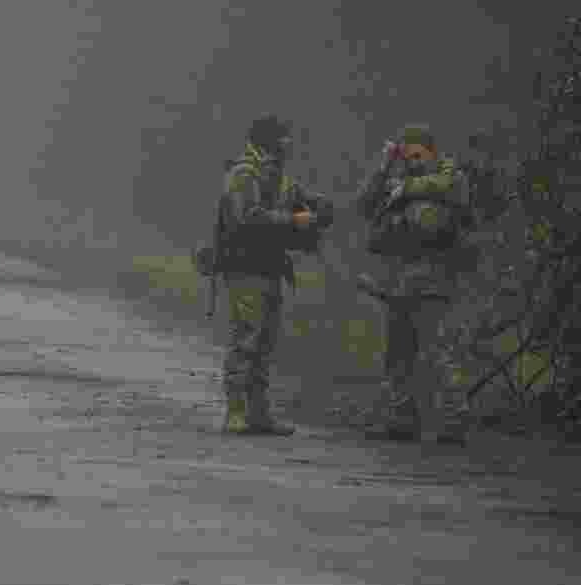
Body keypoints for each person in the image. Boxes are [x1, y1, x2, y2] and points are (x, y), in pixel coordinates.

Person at [202, 114, 334, 435]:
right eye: (284, 137)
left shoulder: (280, 177)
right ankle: (235, 412)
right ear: (269, 140)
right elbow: (246, 217)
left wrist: (321, 209)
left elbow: (309, 202)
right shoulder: (243, 173)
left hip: (270, 267)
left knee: (265, 345)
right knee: (245, 340)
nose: (289, 143)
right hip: (244, 267)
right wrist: (295, 220)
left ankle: (259, 414)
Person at [353, 124, 476, 445]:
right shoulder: (395, 181)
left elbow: (452, 188)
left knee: (440, 353)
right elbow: (364, 205)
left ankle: (454, 421)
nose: (413, 161)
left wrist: (405, 187)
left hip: (435, 277)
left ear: (432, 152)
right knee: (398, 355)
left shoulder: (450, 177)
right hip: (399, 278)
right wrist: (384, 167)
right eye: (407, 156)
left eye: (418, 155)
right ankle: (401, 419)